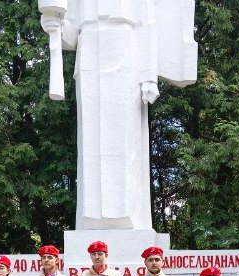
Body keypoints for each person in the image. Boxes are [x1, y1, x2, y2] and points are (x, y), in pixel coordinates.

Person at [39, 0, 197, 230]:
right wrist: (55, 24)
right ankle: (92, 217)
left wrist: (149, 76)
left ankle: (125, 214)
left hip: (125, 47)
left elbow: (147, 26)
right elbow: (71, 35)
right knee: (91, 140)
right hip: (89, 49)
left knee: (123, 139)